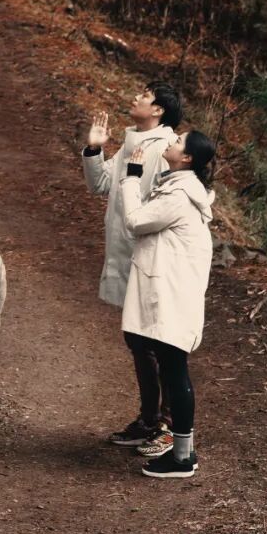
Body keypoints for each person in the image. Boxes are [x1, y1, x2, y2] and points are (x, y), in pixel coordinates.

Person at [82, 83, 182, 455]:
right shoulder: (133, 143)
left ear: (158, 110)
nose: (135, 97)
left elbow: (156, 205)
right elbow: (103, 185)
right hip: (127, 252)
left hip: (152, 257)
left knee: (154, 340)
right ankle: (150, 420)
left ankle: (165, 424)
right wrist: (95, 149)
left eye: (144, 95)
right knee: (139, 339)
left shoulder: (164, 148)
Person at [120, 129, 216, 479]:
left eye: (179, 143)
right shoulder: (181, 188)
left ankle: (181, 459)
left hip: (173, 296)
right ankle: (182, 453)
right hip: (175, 293)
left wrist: (131, 178)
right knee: (172, 367)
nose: (172, 143)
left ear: (187, 157)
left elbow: (135, 222)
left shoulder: (179, 195)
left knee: (175, 369)